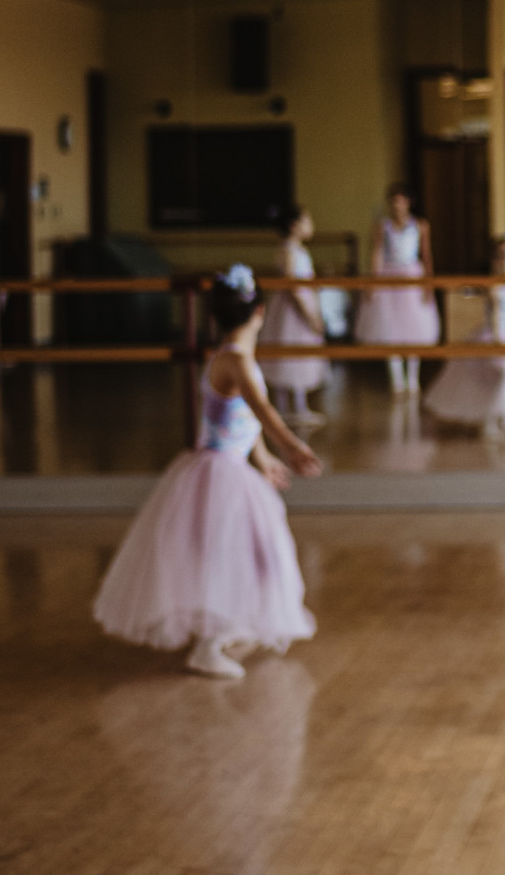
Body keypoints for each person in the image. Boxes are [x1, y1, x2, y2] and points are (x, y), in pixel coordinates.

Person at [93, 264, 325, 679]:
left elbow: (237, 417)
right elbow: (262, 409)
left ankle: (221, 630)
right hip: (219, 474)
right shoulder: (234, 360)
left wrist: (263, 457)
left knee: (238, 556)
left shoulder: (232, 357)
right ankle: (209, 643)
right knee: (229, 557)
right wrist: (291, 446)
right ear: (260, 313)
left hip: (227, 467)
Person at [423, 233, 505, 438]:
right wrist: (497, 340)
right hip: (492, 335)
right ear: (495, 260)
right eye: (501, 256)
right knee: (498, 376)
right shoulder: (495, 286)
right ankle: (492, 419)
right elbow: (495, 313)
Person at [353, 185, 439, 394]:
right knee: (389, 329)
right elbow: (377, 253)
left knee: (414, 329)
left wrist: (428, 284)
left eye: (400, 201)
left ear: (408, 203)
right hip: (388, 277)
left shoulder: (419, 225)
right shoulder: (382, 226)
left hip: (411, 277)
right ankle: (396, 379)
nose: (397, 206)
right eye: (393, 201)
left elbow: (426, 256)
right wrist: (373, 283)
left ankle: (412, 377)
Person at [265, 205, 329, 424]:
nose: (311, 226)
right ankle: (287, 407)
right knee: (290, 351)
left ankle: (297, 405)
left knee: (301, 353)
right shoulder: (288, 250)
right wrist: (309, 314)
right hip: (292, 308)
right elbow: (292, 285)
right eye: (307, 221)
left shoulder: (299, 250)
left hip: (301, 302)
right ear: (294, 226)